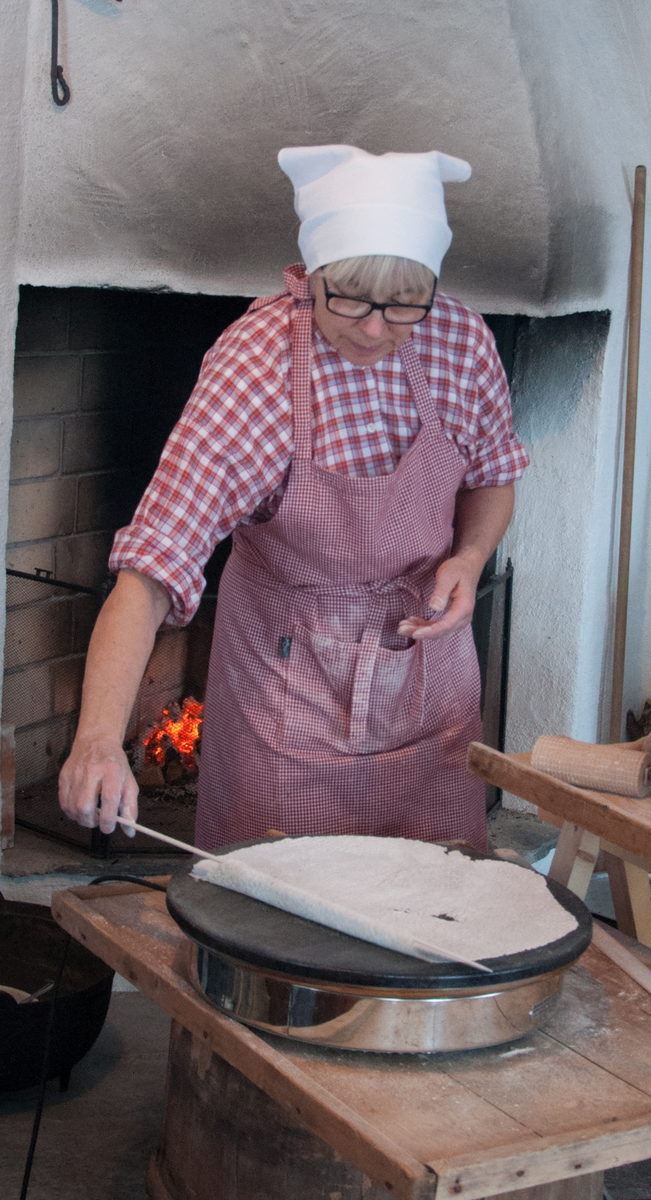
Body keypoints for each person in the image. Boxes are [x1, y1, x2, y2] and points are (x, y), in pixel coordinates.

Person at [58, 144, 529, 851]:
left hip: (431, 686)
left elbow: (494, 472)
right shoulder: (258, 366)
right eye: (351, 299)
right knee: (278, 928)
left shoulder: (458, 340)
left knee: (436, 910)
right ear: (311, 275)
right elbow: (152, 568)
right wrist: (96, 740)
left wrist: (470, 553)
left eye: (403, 304)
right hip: (291, 697)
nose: (375, 329)